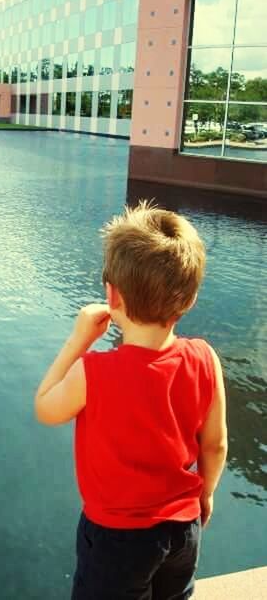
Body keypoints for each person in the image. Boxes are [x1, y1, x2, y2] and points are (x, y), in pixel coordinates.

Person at [35, 201, 228, 600]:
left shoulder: (92, 373)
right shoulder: (205, 358)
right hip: (182, 530)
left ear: (112, 294)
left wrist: (80, 338)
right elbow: (216, 444)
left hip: (116, 541)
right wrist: (205, 493)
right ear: (189, 299)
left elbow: (45, 408)